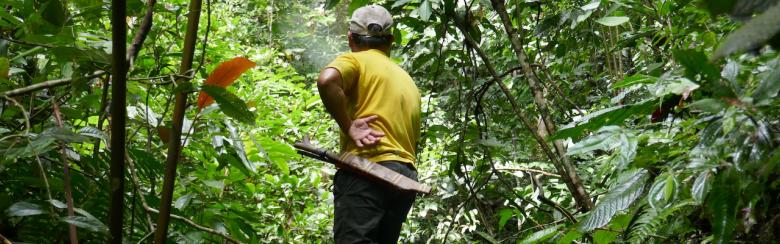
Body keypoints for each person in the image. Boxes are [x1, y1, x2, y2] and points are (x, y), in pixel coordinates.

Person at [316, 4, 422, 244]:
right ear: (391, 40)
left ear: (350, 38)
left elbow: (327, 81)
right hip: (404, 178)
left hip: (368, 170)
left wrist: (349, 125)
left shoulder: (355, 60)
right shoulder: (407, 80)